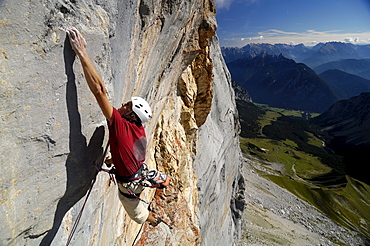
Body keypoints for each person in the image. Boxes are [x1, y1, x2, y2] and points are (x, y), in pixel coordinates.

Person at [66, 27, 160, 226]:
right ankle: (151, 214)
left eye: (128, 105)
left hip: (129, 185)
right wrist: (116, 159)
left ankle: (153, 220)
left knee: (138, 215)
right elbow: (129, 149)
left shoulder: (120, 124)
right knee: (137, 201)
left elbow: (99, 90)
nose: (123, 104)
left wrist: (82, 53)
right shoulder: (138, 128)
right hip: (136, 175)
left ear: (131, 115)